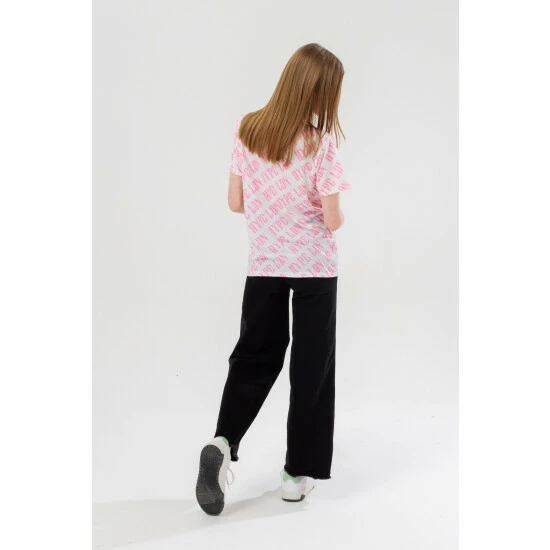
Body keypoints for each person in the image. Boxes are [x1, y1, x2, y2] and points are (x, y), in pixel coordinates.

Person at [195, 43, 350, 516]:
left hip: (264, 264)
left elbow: (235, 202)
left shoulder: (248, 129)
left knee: (253, 358)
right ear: (321, 93)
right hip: (314, 269)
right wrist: (331, 212)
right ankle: (296, 475)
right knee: (311, 369)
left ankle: (222, 442)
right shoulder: (320, 144)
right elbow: (332, 219)